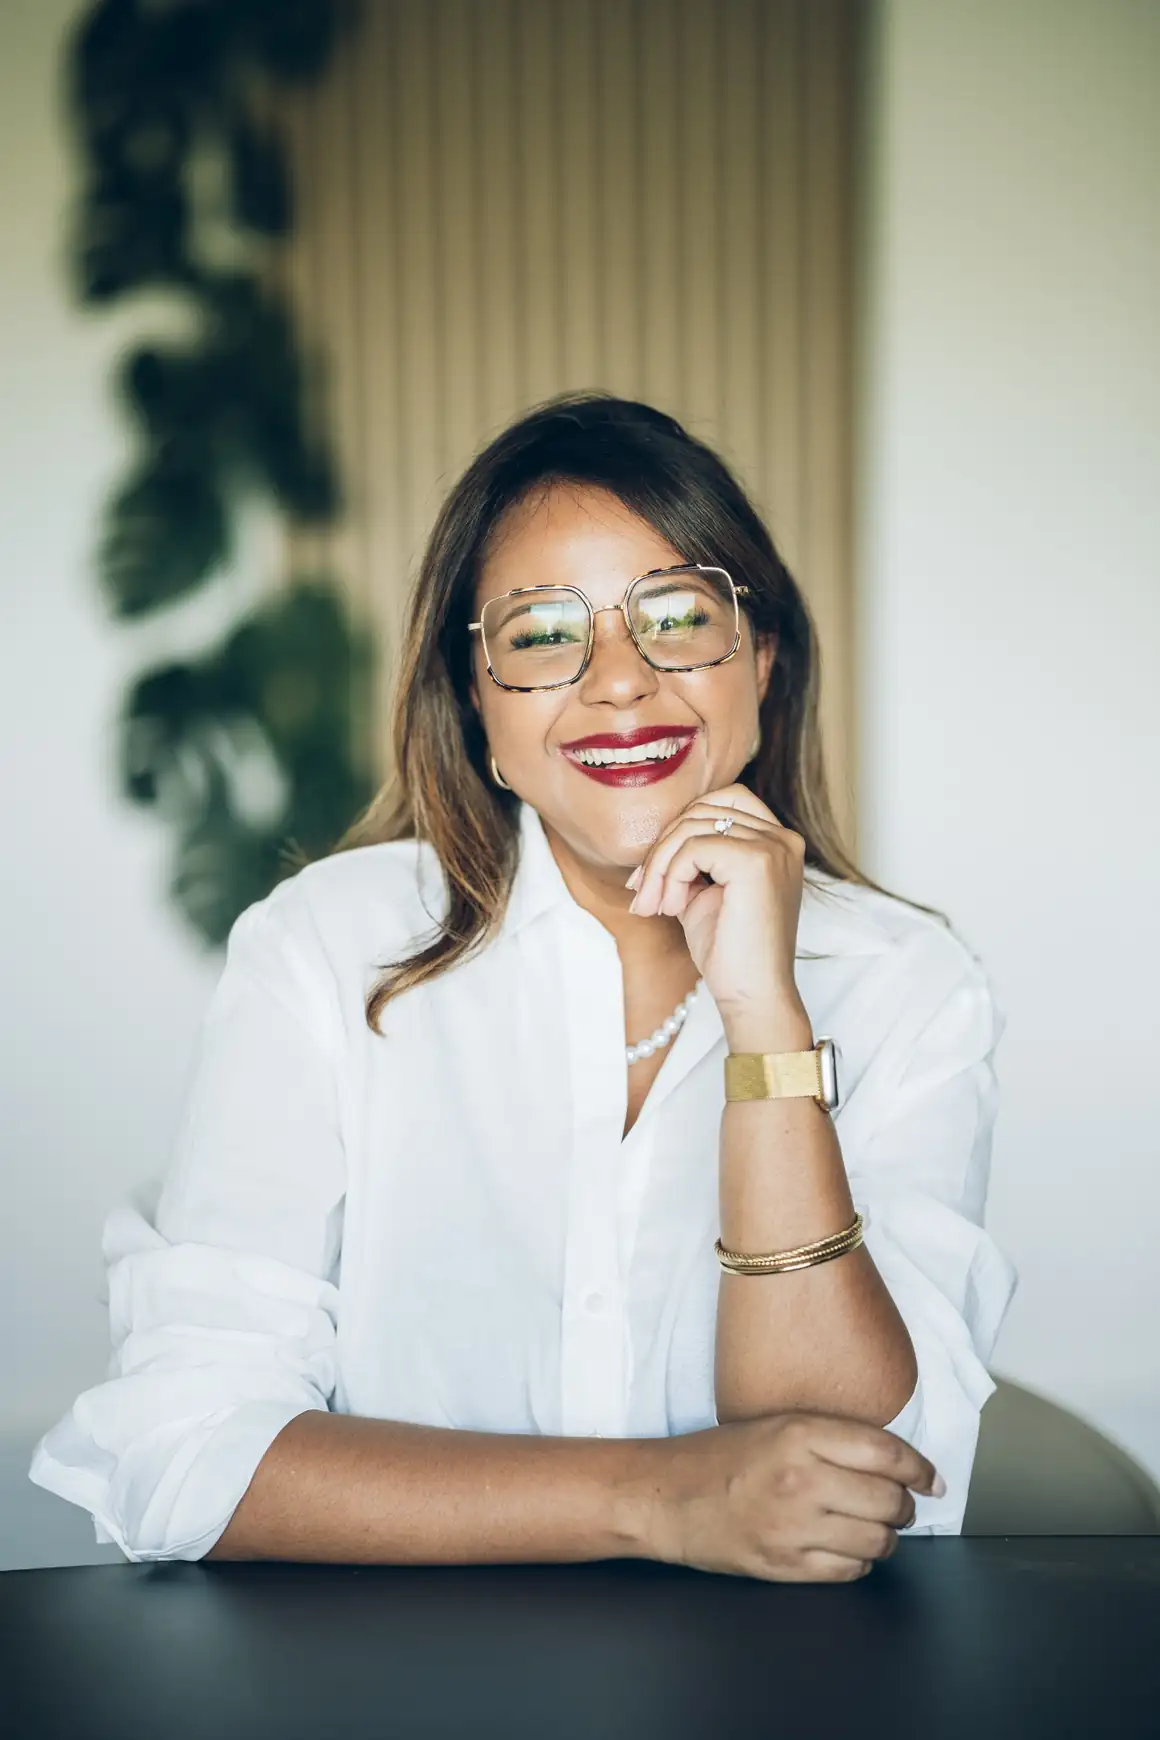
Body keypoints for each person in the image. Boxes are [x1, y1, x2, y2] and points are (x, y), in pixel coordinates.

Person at [31, 393, 1016, 1582]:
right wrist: (657, 1502)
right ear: (480, 708)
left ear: (761, 663)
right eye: (543, 634)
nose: (616, 679)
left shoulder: (907, 983)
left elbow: (850, 1470)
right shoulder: (326, 950)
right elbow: (183, 1453)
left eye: (676, 616)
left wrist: (764, 1018)